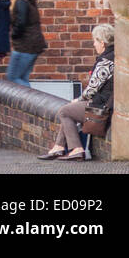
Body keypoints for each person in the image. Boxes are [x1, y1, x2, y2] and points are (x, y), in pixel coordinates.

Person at [39, 24, 115, 162]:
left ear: (102, 43)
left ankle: (77, 149)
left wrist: (79, 99)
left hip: (100, 107)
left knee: (64, 111)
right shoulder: (116, 56)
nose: (94, 44)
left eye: (95, 41)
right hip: (107, 103)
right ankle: (58, 147)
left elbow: (92, 89)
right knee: (69, 111)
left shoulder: (106, 61)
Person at [4, 0, 47, 87]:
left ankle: (33, 101)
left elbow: (21, 23)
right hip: (33, 44)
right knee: (22, 78)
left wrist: (14, 35)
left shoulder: (20, 2)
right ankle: (29, 101)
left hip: (25, 45)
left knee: (13, 78)